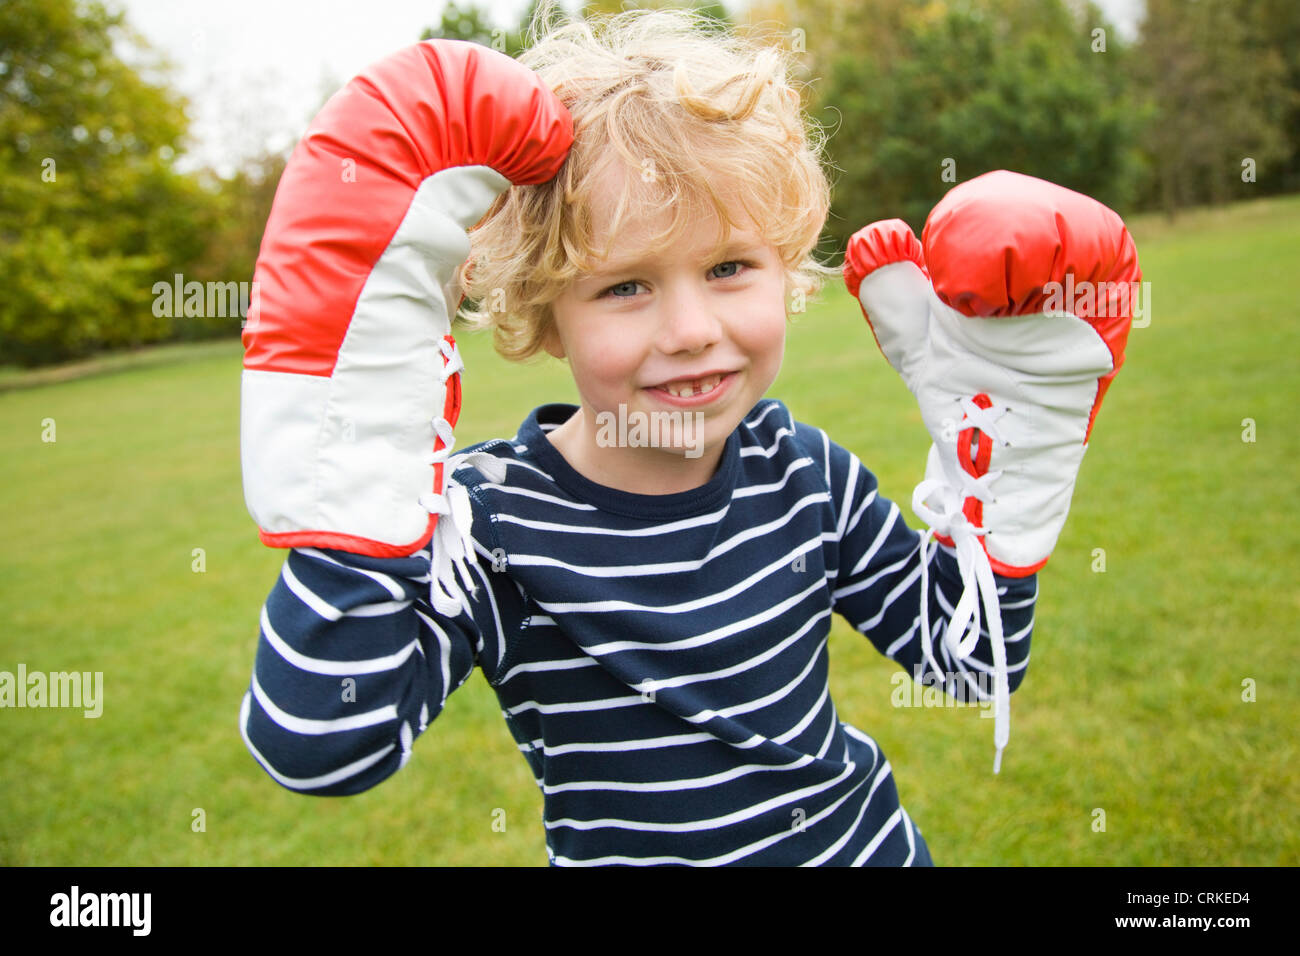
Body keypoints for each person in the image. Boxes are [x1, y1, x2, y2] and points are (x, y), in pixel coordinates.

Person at [238, 5, 1134, 866]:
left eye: (729, 266)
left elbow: (969, 662)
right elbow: (322, 744)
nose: (691, 327)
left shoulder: (805, 475)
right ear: (545, 314)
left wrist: (1012, 469)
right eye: (625, 285)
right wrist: (356, 457)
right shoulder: (489, 524)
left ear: (784, 270)